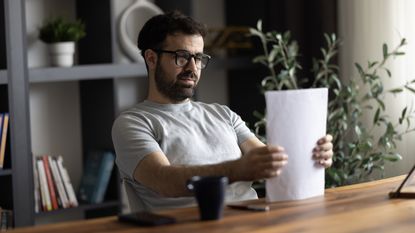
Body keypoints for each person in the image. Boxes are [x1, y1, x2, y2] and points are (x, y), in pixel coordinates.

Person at [112, 11, 333, 211]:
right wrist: (237, 170)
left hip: (255, 219)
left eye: (198, 58)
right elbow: (165, 180)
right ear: (151, 58)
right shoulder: (133, 123)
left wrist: (311, 155)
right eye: (181, 56)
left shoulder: (223, 114)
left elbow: (269, 162)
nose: (192, 68)